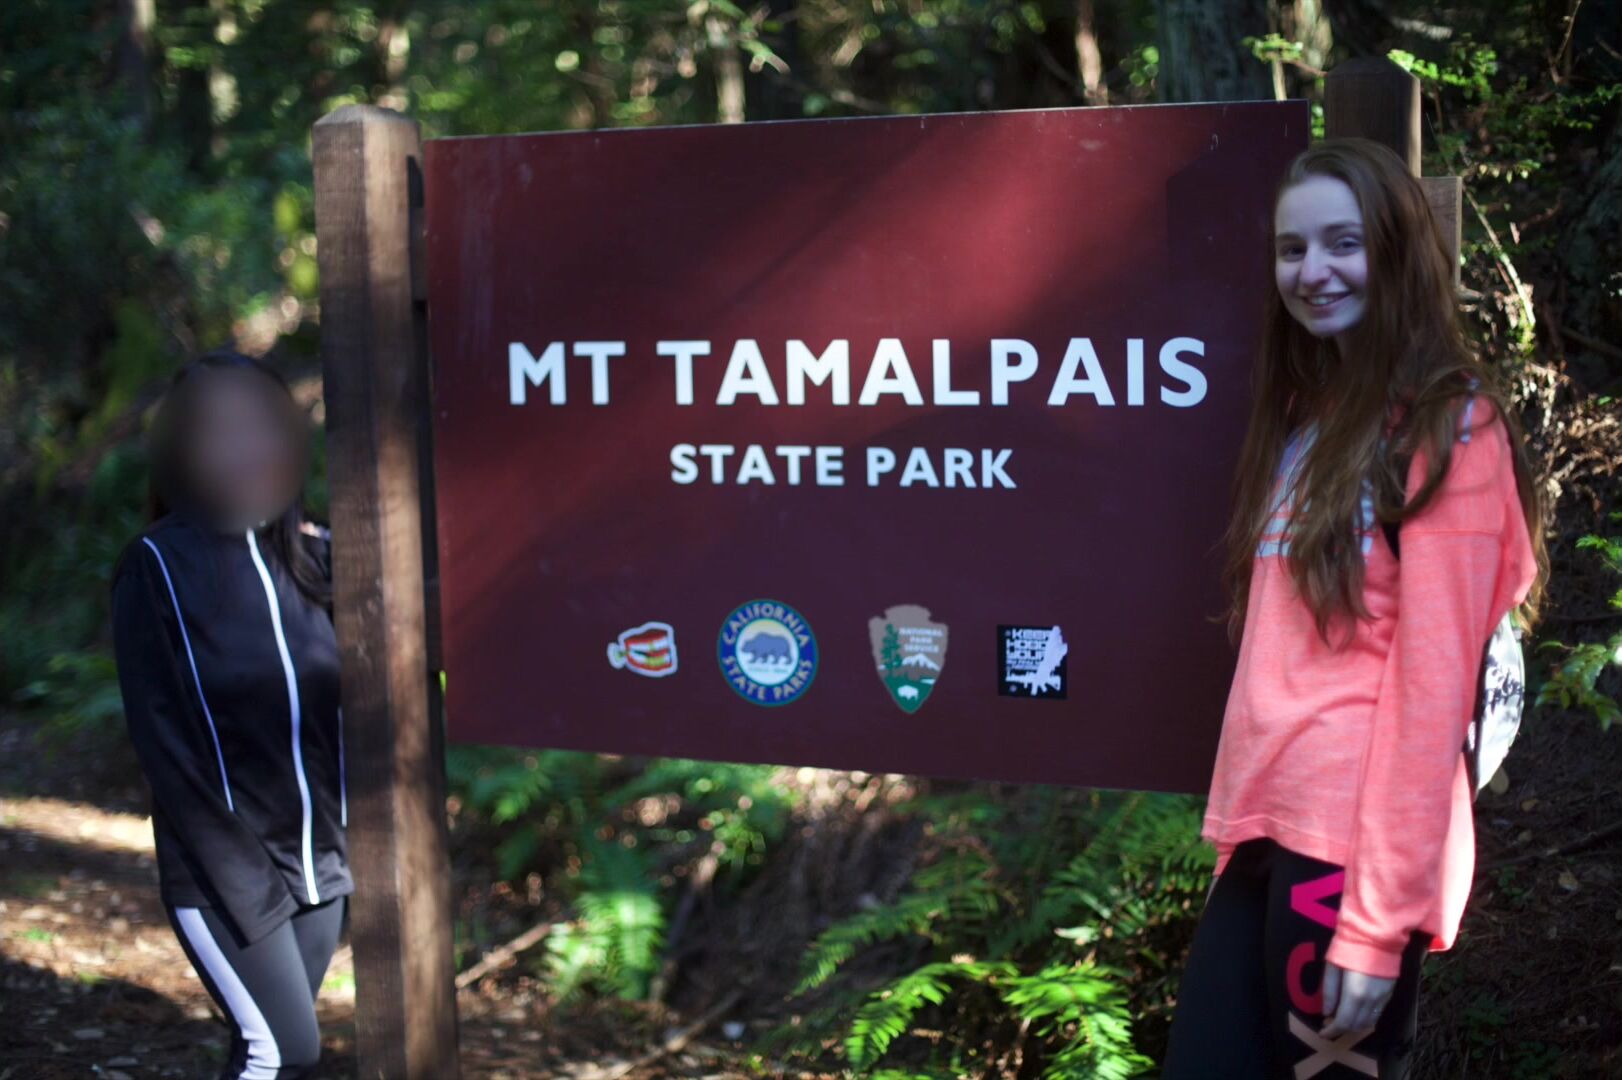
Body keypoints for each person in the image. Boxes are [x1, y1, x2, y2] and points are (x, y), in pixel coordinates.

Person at [1161, 137, 1546, 1079]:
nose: (1312, 271)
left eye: (1344, 243)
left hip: (1348, 860)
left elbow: (1434, 693)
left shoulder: (1452, 426)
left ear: (1398, 251)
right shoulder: (1310, 422)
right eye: (1292, 249)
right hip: (1268, 836)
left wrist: (1376, 925)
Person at [110, 349, 352, 1079]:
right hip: (227, 875)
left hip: (323, 865)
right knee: (283, 1051)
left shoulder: (321, 555)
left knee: (267, 1054)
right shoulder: (156, 565)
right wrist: (241, 877)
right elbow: (165, 745)